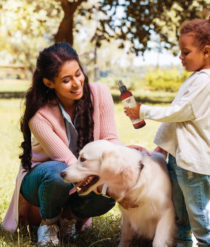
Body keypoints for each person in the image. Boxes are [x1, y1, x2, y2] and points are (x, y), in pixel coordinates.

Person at [125, 12, 210, 247]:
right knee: (180, 207)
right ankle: (183, 241)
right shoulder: (196, 79)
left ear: (206, 51)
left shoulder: (205, 81)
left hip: (193, 162)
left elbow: (178, 112)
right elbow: (178, 119)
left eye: (185, 52)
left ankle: (207, 243)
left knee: (198, 208)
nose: (180, 56)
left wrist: (142, 111)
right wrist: (163, 146)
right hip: (179, 158)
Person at [2, 42, 121, 246]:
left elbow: (110, 139)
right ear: (49, 83)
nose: (77, 83)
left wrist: (126, 155)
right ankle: (48, 224)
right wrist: (98, 175)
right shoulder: (38, 114)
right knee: (58, 173)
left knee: (111, 190)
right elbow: (66, 160)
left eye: (78, 74)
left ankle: (68, 219)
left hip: (79, 176)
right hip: (43, 178)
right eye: (66, 80)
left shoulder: (100, 93)